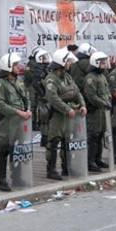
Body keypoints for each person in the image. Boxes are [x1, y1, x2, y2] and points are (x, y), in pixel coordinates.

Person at [44, 48, 86, 180]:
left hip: (69, 114)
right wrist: (67, 109)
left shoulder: (67, 77)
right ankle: (51, 170)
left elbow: (77, 92)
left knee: (67, 141)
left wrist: (82, 105)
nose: (70, 64)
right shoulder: (51, 79)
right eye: (67, 61)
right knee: (54, 141)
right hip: (57, 115)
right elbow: (53, 98)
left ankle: (66, 167)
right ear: (61, 63)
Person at [0, 53, 31, 191]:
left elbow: (25, 97)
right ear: (8, 67)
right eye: (15, 65)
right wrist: (17, 112)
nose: (18, 67)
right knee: (4, 150)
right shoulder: (0, 84)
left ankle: (17, 176)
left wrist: (28, 109)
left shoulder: (17, 81)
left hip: (19, 122)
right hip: (6, 123)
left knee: (17, 149)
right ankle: (1, 179)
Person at [83, 51, 111, 172]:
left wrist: (108, 99)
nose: (104, 64)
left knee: (100, 135)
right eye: (102, 63)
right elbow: (91, 96)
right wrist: (104, 103)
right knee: (93, 136)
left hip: (102, 111)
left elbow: (107, 90)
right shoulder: (90, 78)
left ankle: (98, 158)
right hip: (94, 111)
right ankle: (90, 161)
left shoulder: (102, 76)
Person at [32, 49, 52, 147]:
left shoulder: (44, 68)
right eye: (44, 57)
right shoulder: (39, 69)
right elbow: (36, 84)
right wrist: (43, 95)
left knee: (47, 117)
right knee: (44, 117)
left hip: (45, 97)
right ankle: (44, 138)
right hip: (43, 98)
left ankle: (46, 137)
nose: (47, 59)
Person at [23, 47, 41, 131]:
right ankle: (33, 124)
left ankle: (38, 123)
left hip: (37, 86)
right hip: (32, 86)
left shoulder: (38, 63)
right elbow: (28, 76)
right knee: (33, 105)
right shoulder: (30, 64)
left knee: (38, 105)